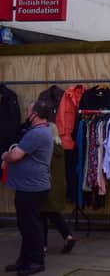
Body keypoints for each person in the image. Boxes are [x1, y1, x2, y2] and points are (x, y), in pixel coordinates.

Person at [2, 101, 53, 276]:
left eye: (28, 110)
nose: (26, 112)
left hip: (32, 188)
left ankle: (36, 262)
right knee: (26, 225)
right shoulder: (38, 132)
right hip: (30, 187)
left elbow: (15, 156)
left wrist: (5, 155)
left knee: (31, 226)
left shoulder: (37, 134)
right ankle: (24, 260)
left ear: (36, 114)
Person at [41, 124, 75, 254]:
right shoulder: (60, 147)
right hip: (59, 185)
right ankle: (68, 237)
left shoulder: (47, 149)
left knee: (42, 215)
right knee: (53, 214)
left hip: (48, 185)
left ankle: (43, 245)